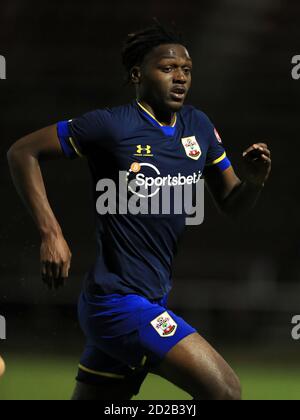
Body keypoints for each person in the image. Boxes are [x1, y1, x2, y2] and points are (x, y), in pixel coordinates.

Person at [7, 22, 271, 400]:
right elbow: (22, 152)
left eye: (187, 70)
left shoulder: (198, 126)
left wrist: (255, 181)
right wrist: (51, 233)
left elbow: (233, 204)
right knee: (225, 391)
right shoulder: (112, 125)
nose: (180, 77)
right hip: (116, 303)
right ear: (137, 75)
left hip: (150, 299)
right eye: (167, 68)